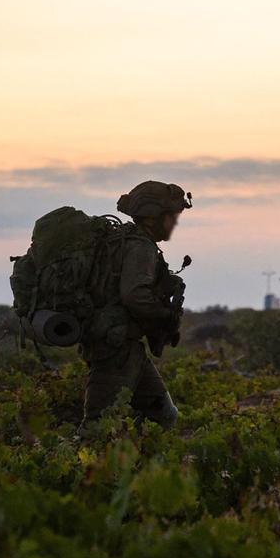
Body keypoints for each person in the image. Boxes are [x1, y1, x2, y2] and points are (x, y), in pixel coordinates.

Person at [80, 180, 192, 429]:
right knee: (98, 427)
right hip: (115, 350)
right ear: (153, 217)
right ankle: (77, 467)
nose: (175, 223)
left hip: (127, 349)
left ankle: (139, 465)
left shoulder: (126, 241)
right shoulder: (140, 247)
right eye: (171, 216)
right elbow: (135, 296)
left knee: (164, 417)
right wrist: (165, 316)